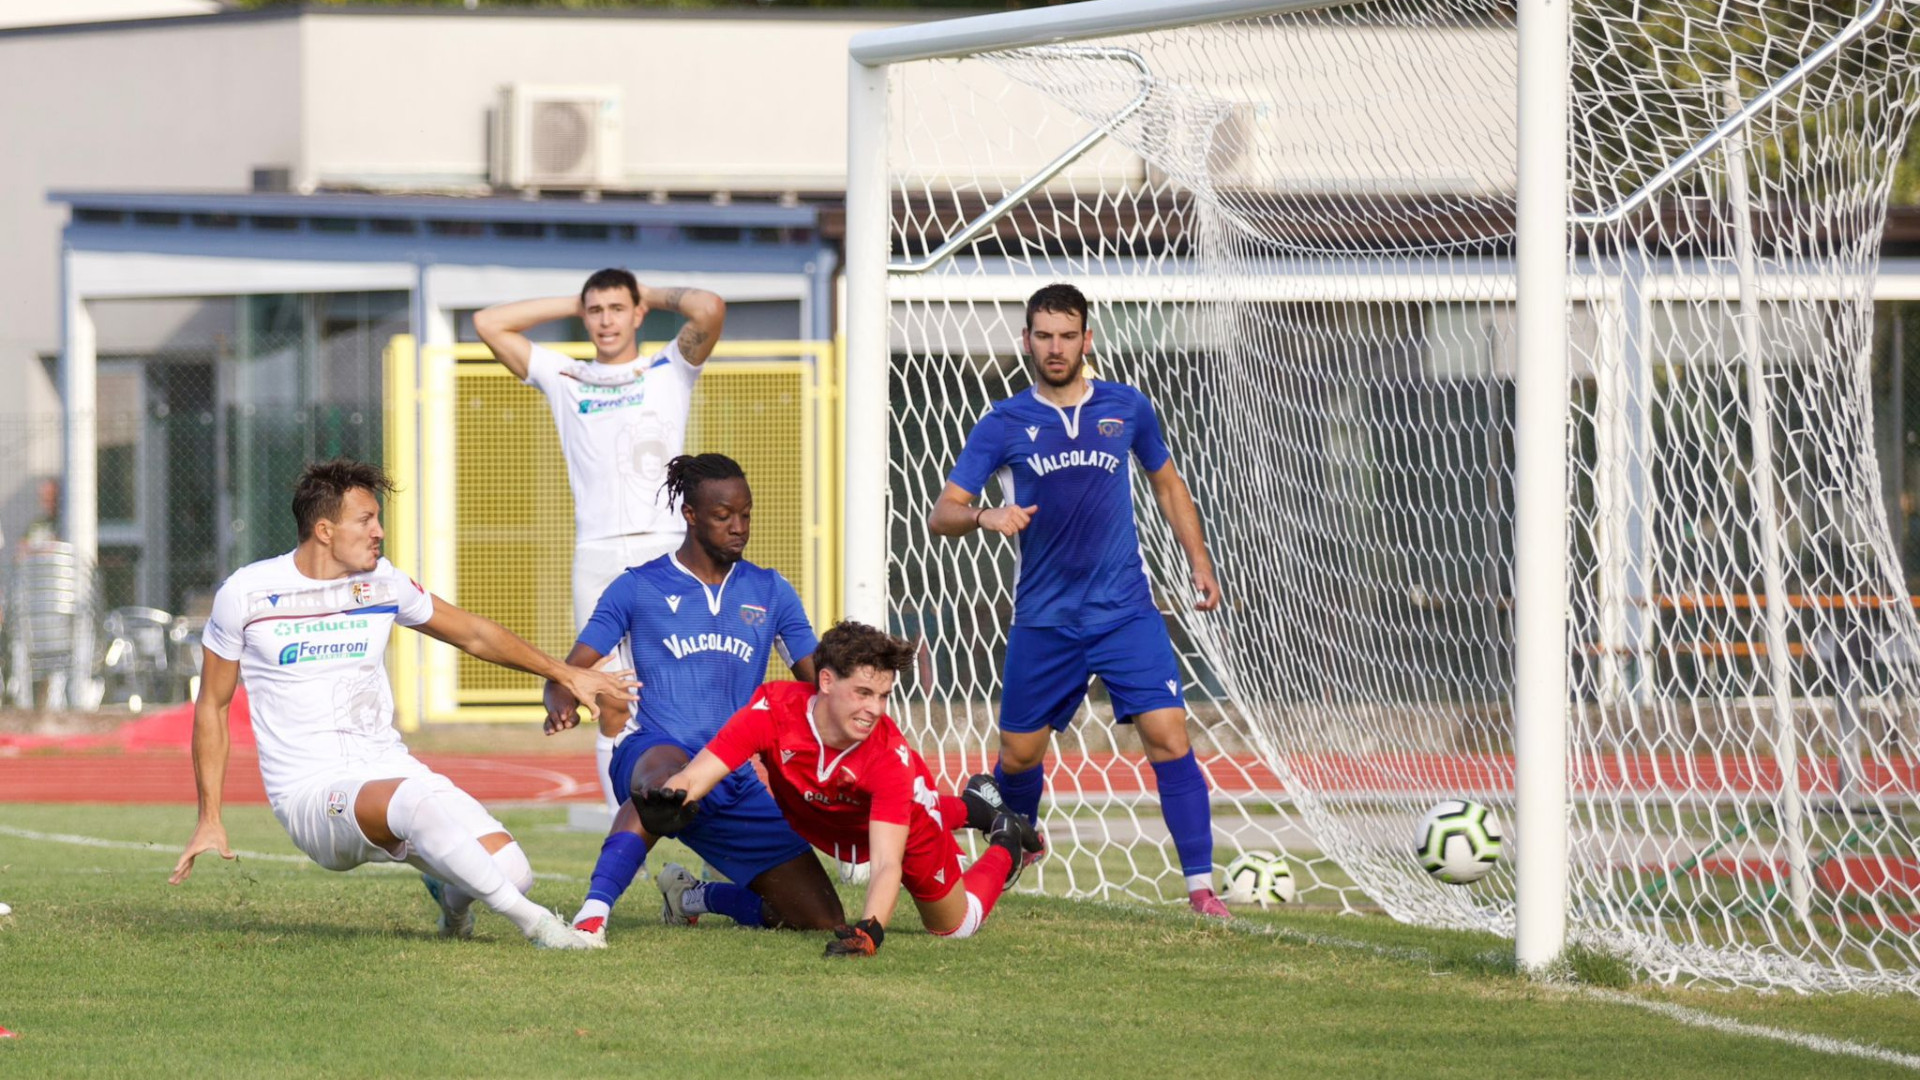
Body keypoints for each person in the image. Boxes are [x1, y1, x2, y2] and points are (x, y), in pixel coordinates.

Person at [169, 459, 636, 950]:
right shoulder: (246, 593)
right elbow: (213, 706)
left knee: (512, 873)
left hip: (388, 768)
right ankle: (541, 928)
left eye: (378, 519)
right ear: (324, 531)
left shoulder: (383, 582)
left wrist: (565, 673)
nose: (380, 531)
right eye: (366, 520)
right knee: (414, 802)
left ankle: (451, 906)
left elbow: (475, 634)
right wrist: (210, 817)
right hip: (311, 791)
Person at [926, 282, 1231, 918]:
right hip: (1045, 620)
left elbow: (1168, 484)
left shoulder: (1127, 407)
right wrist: (985, 516)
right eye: (1044, 336)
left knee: (1169, 737)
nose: (1056, 347)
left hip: (1125, 612)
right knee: (1018, 756)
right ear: (1027, 341)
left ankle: (1202, 890)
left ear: (1087, 339)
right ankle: (1019, 844)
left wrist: (1199, 560)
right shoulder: (1003, 423)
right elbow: (942, 512)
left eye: (1068, 335)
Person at [542, 453, 846, 941]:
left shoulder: (771, 590)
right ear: (690, 514)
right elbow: (568, 670)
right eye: (723, 516)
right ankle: (591, 917)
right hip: (653, 751)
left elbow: (823, 683)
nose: (739, 527)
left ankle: (693, 897)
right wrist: (558, 696)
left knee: (821, 919)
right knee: (667, 789)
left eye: (745, 515)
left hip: (731, 774)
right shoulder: (637, 586)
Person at [474, 269, 725, 814]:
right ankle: (623, 830)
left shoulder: (668, 367)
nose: (606, 320)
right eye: (595, 311)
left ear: (638, 314)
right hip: (598, 554)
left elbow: (708, 307)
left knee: (689, 693)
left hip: (666, 549)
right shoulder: (567, 375)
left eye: (617, 308)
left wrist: (641, 292)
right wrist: (578, 300)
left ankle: (705, 814)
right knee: (609, 696)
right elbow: (489, 322)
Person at [652, 621, 1042, 957]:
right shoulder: (772, 711)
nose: (875, 709)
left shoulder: (889, 757)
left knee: (956, 926)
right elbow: (696, 775)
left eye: (883, 696)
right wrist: (670, 796)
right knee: (808, 905)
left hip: (909, 827)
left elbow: (887, 862)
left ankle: (1006, 840)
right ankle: (975, 805)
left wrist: (870, 929)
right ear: (825, 681)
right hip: (834, 817)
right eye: (863, 693)